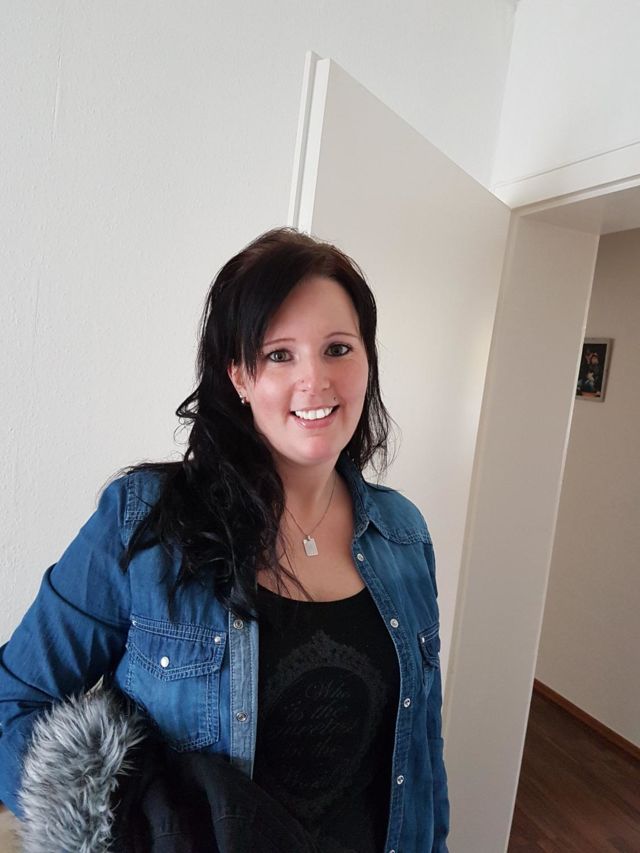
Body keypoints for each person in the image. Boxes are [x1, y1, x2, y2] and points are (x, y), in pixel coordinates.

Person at [0, 227, 449, 852]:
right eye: (279, 355)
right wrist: (126, 831)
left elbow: (422, 750)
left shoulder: (403, 533)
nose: (316, 379)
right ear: (239, 375)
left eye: (338, 349)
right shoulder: (143, 521)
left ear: (367, 361)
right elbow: (14, 702)